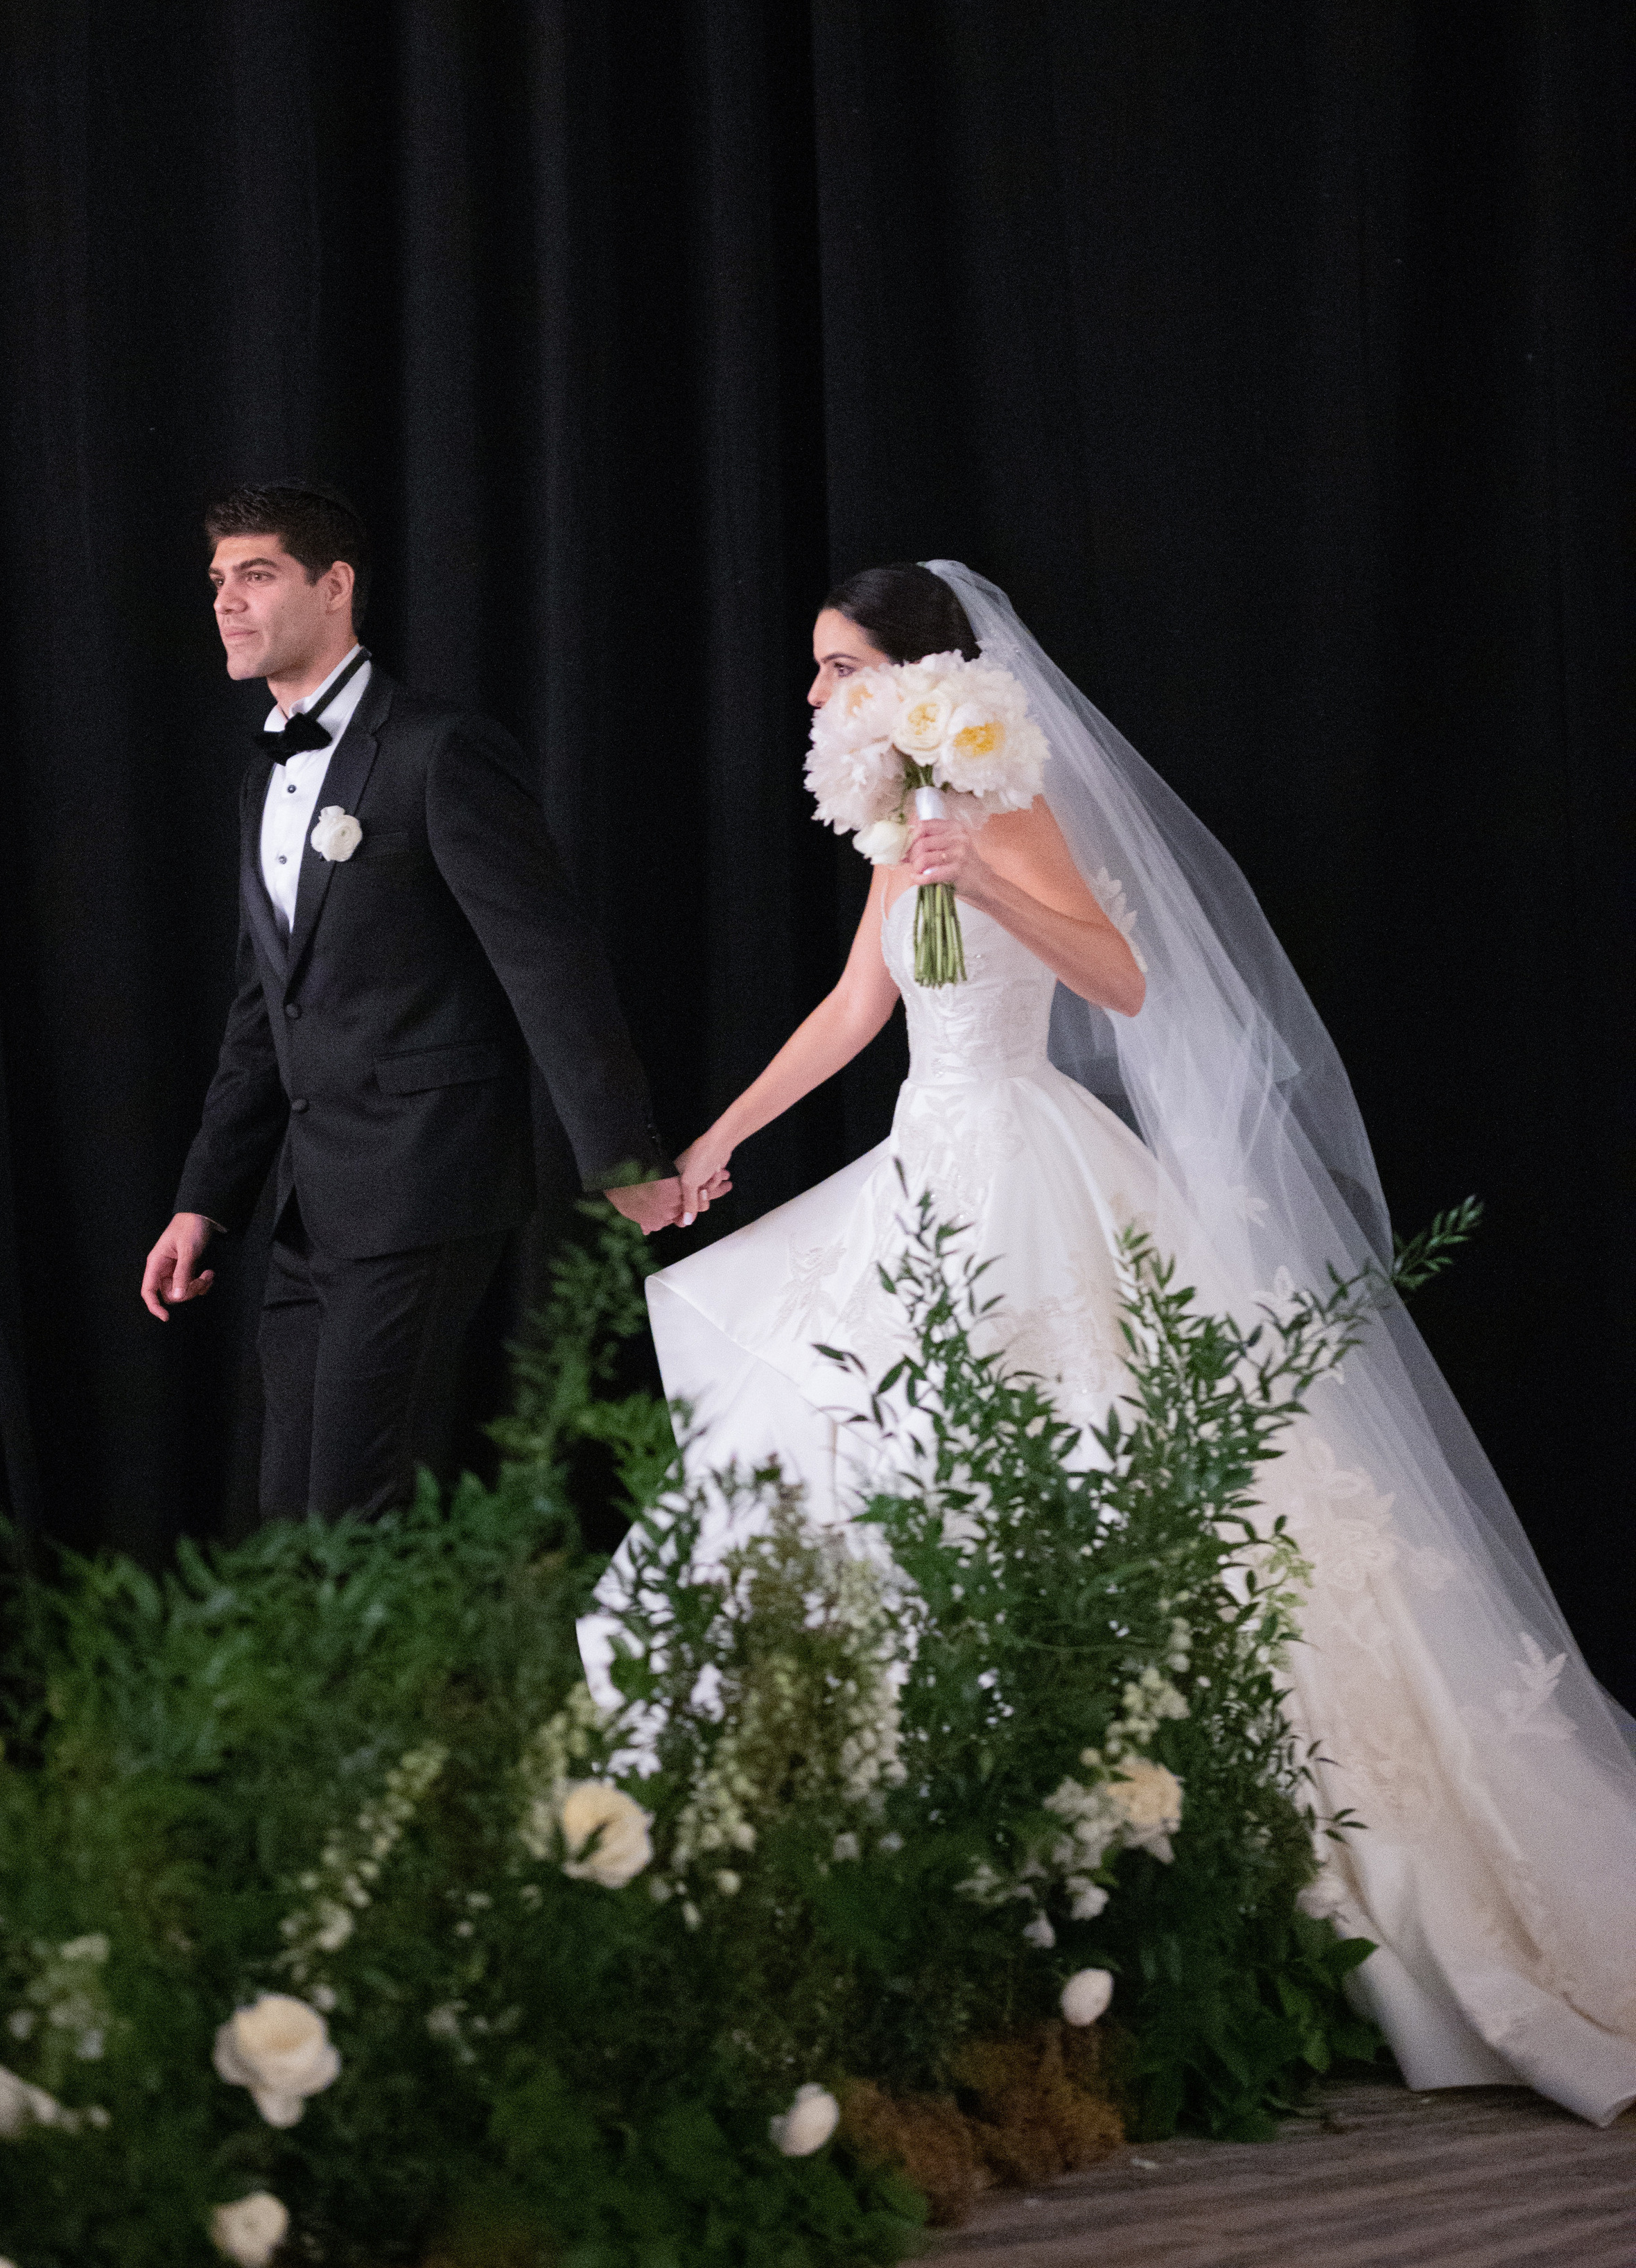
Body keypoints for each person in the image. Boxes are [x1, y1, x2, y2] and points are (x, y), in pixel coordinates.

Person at [586, 557, 1636, 2126]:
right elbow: (852, 1012)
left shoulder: (1000, 803)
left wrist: (983, 870)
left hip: (1029, 1159)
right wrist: (711, 1148)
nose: (813, 692)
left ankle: (1149, 1892)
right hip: (920, 1168)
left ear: (918, 676)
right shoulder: (897, 817)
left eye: (834, 664)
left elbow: (1123, 980)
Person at [141, 483, 683, 1521]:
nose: (226, 602)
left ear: (334, 587)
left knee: (351, 1512)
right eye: (218, 581)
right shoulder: (263, 780)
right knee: (290, 1519)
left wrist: (621, 1158)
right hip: (307, 1207)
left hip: (422, 1180)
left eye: (256, 575)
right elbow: (265, 1011)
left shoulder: (439, 751)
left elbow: (550, 966)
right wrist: (204, 1199)